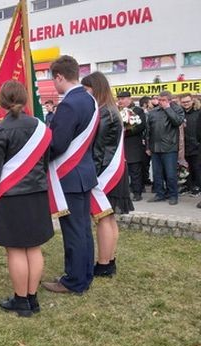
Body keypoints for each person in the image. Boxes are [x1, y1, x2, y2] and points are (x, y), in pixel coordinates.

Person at [0, 81, 53, 316]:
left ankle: (21, 301)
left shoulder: (0, 130)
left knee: (15, 250)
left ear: (2, 101)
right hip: (37, 195)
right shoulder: (40, 127)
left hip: (11, 198)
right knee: (34, 248)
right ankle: (32, 299)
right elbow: (44, 164)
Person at [41, 55, 98, 295]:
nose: (54, 85)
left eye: (54, 80)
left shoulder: (68, 105)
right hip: (84, 172)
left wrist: (40, 153)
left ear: (60, 77)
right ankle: (84, 274)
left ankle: (73, 281)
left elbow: (59, 143)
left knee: (73, 229)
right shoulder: (90, 100)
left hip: (69, 174)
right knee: (83, 228)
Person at [81, 72, 134, 277]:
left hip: (105, 171)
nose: (86, 94)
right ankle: (109, 260)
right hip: (115, 169)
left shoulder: (104, 113)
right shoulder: (111, 110)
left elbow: (99, 149)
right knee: (109, 218)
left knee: (103, 218)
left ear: (96, 88)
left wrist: (91, 176)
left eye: (87, 90)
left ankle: (103, 264)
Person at [145, 91, 185, 205]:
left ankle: (173, 195)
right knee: (157, 173)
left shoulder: (177, 109)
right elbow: (148, 131)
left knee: (170, 173)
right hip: (155, 147)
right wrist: (148, 147)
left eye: (163, 100)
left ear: (169, 100)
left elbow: (177, 121)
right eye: (159, 100)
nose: (160, 102)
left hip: (169, 147)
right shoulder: (153, 112)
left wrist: (168, 108)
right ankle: (159, 194)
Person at [117, 91, 147, 201]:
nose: (120, 101)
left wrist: (125, 131)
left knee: (135, 171)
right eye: (119, 99)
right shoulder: (117, 111)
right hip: (121, 146)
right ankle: (123, 193)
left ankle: (137, 193)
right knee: (122, 172)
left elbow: (141, 126)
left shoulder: (138, 110)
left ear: (129, 99)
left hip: (133, 145)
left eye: (123, 98)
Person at [179, 93, 201, 195]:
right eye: (183, 102)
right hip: (183, 146)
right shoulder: (180, 113)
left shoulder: (198, 112)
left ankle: (198, 187)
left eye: (187, 101)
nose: (186, 104)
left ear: (192, 100)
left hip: (196, 145)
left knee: (196, 167)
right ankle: (189, 186)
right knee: (185, 168)